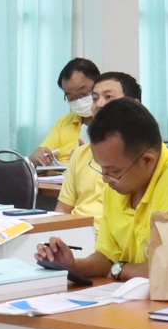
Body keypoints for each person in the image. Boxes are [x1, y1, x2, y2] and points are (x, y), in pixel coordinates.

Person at [34, 97, 168, 293]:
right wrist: (72, 266)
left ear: (147, 160)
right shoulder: (118, 184)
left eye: (113, 171)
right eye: (102, 169)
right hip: (132, 299)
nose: (105, 179)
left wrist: (119, 269)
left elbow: (165, 268)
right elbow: (106, 257)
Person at [56, 70, 140, 219]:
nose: (99, 104)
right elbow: (62, 209)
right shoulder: (80, 154)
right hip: (76, 230)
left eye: (108, 97)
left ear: (134, 106)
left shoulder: (142, 157)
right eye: (94, 99)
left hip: (112, 231)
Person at [31, 58, 100, 168]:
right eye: (71, 98)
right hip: (59, 177)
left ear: (99, 84)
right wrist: (35, 159)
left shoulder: (112, 120)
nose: (79, 101)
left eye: (84, 93)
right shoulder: (64, 122)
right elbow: (41, 154)